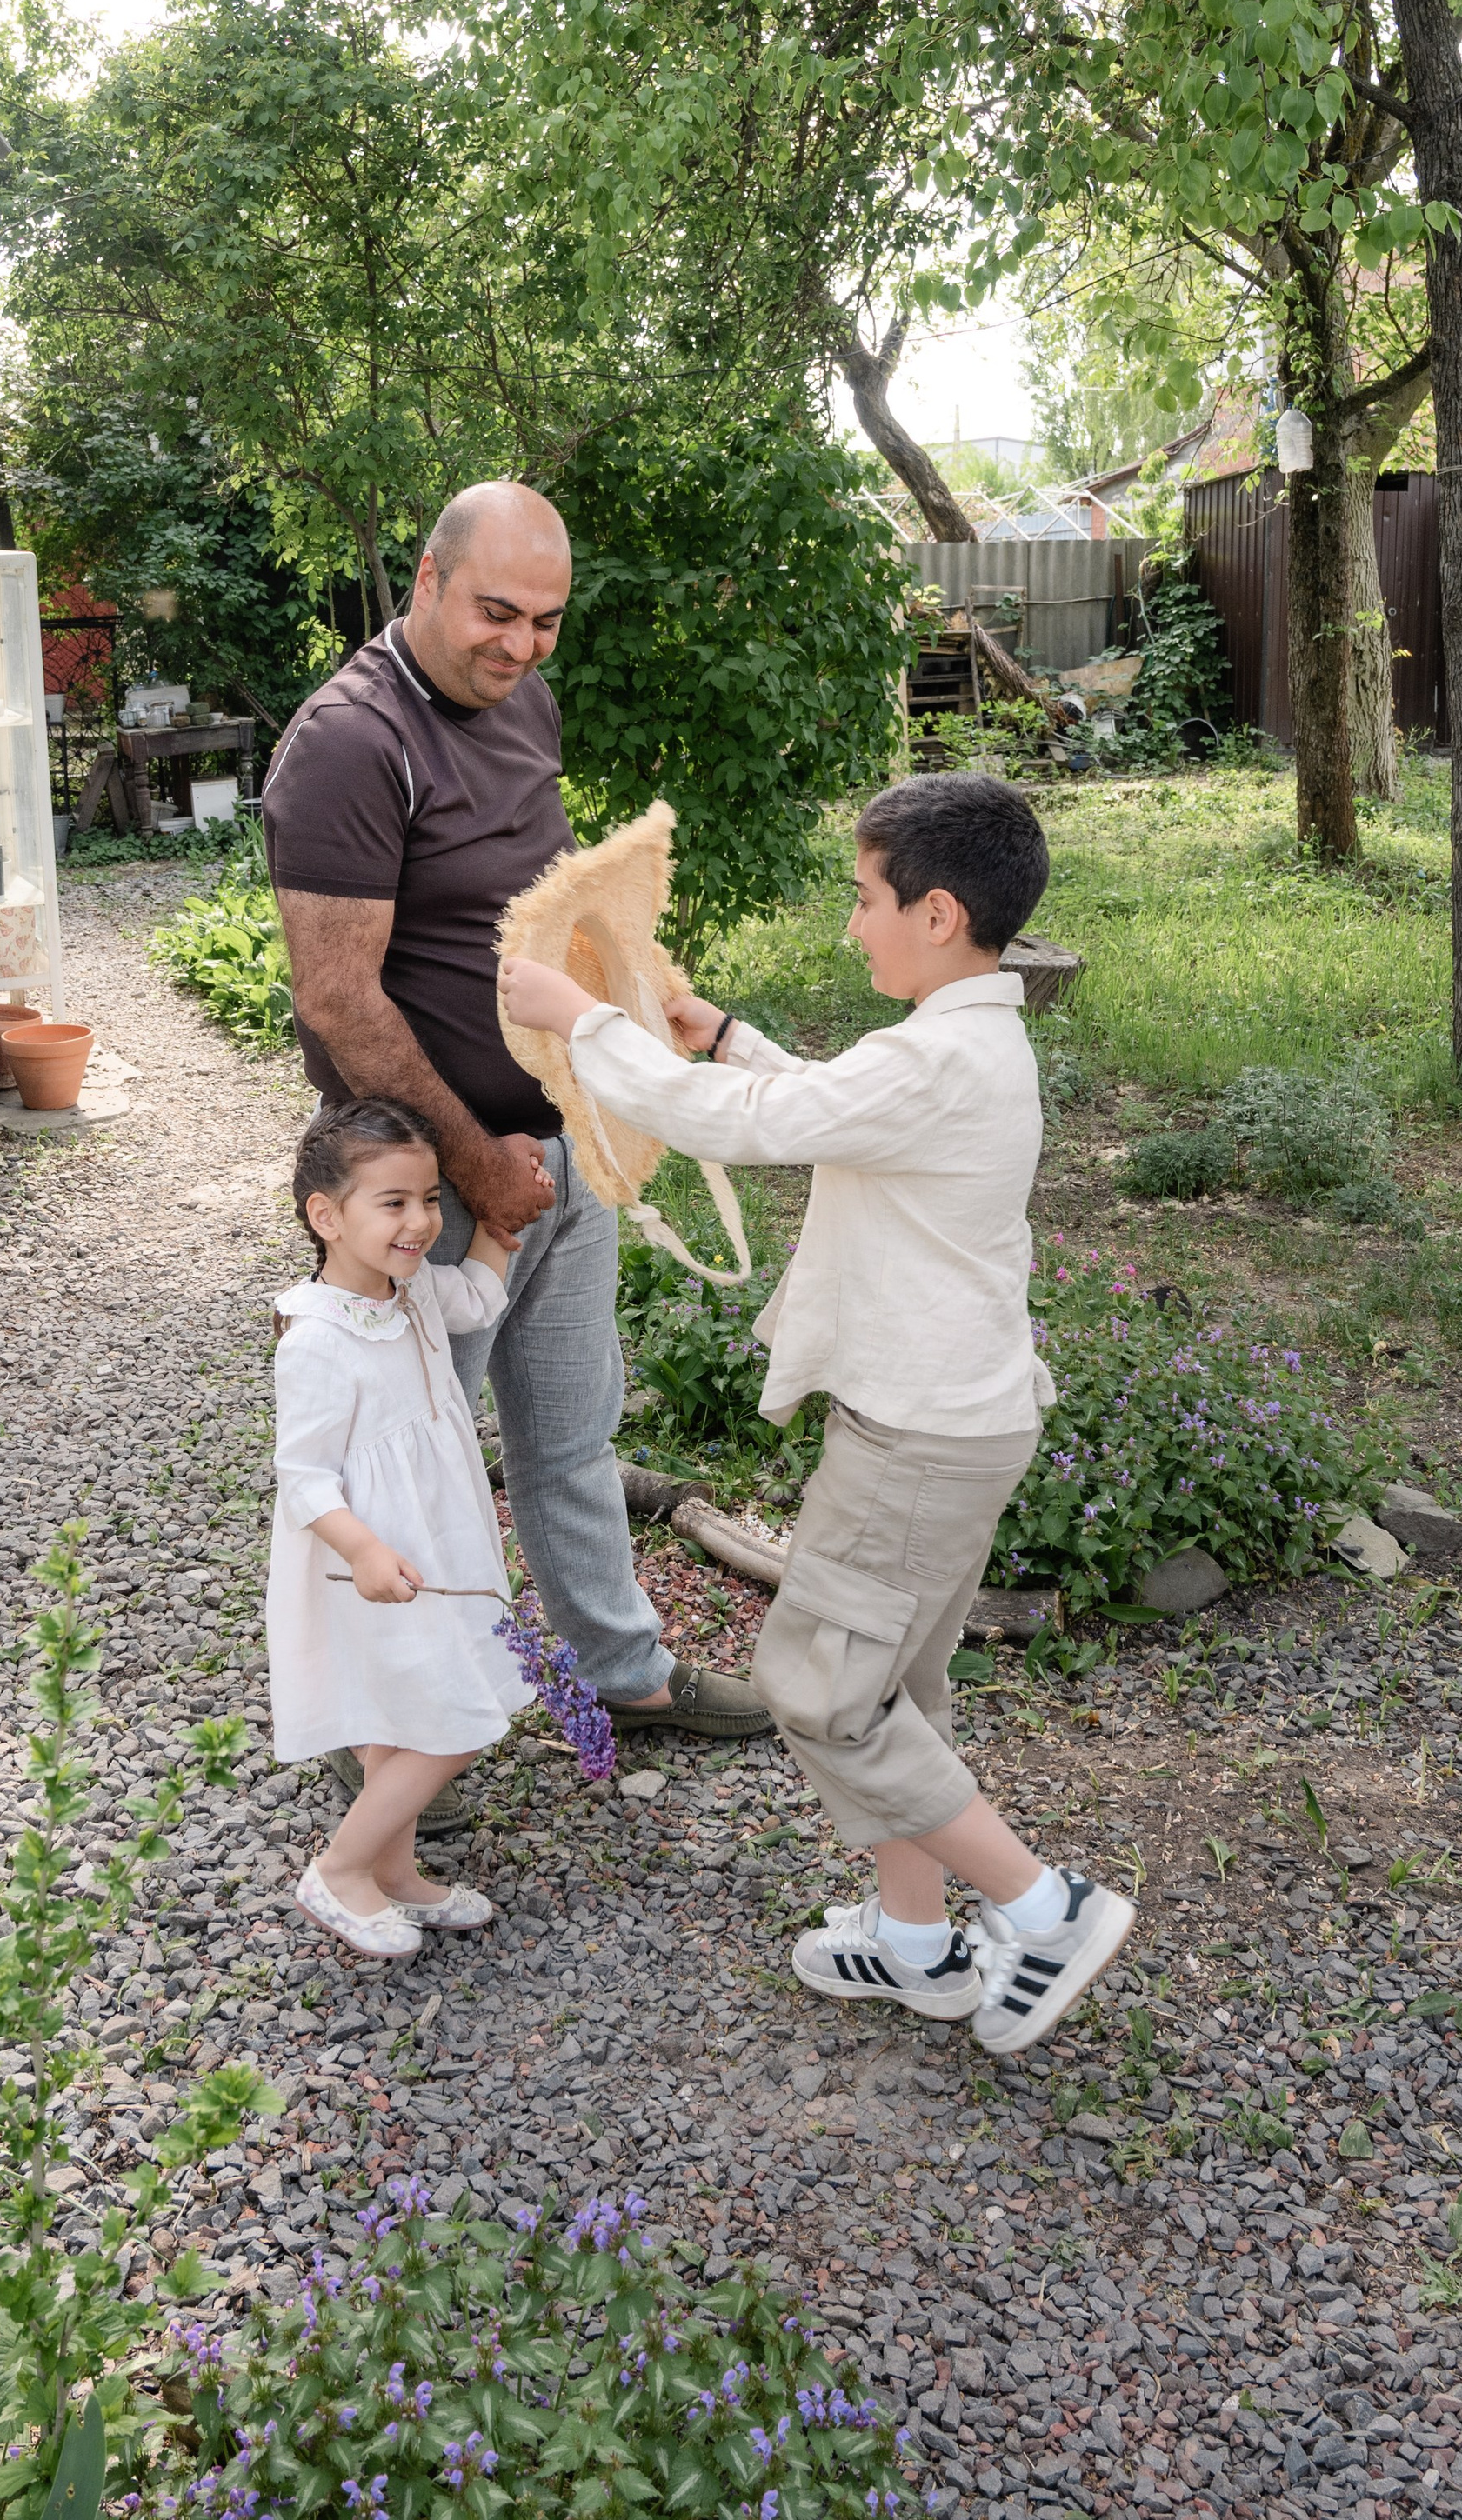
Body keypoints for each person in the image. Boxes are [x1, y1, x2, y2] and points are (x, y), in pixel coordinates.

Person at [502, 772, 1136, 2057]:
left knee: (818, 1685)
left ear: (939, 914)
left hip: (920, 1438)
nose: (853, 925)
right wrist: (722, 1031)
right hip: (953, 1422)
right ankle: (913, 1939)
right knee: (893, 1682)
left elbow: (754, 1132)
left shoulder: (942, 1057)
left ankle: (1043, 1905)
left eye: (864, 900)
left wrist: (585, 1028)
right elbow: (832, 1113)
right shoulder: (959, 1047)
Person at [262, 479, 771, 1752]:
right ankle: (381, 1732)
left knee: (571, 1433)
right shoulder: (348, 743)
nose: (522, 644)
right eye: (497, 611)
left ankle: (623, 1674)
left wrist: (649, 1008)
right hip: (420, 1189)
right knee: (397, 1467)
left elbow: (548, 914)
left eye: (546, 620)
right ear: (426, 580)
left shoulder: (521, 701)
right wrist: (470, 1169)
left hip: (553, 1143)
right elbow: (335, 998)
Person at [269, 1097, 526, 1961]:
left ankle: (395, 1872)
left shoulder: (409, 1291)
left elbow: (482, 1294)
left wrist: (501, 1211)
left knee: (393, 1722)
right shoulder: (314, 1338)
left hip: (439, 1541)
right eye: (393, 1203)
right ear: (326, 1216)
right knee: (453, 1718)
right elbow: (303, 1476)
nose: (419, 1222)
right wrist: (366, 1549)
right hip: (375, 1560)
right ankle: (338, 1868)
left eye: (429, 1200)